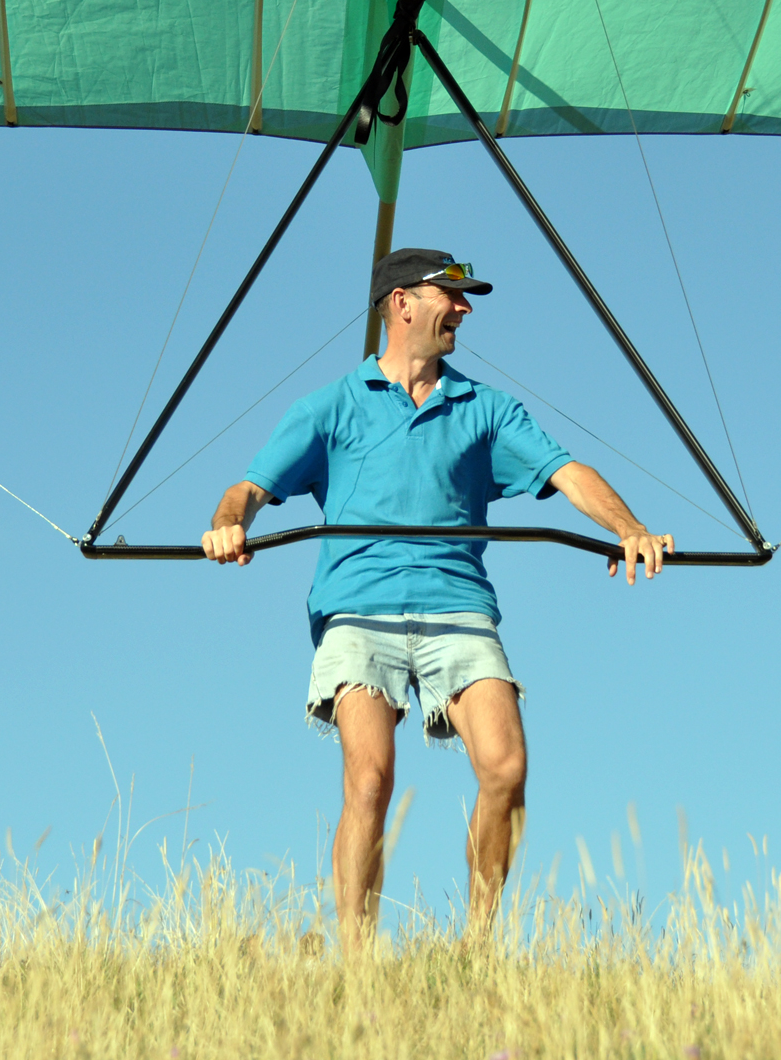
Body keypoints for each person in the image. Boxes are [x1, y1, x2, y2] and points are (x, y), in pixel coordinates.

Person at [201, 247, 672, 950]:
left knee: (507, 769)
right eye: (450, 294)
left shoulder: (483, 407)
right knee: (370, 780)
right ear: (402, 304)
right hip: (359, 610)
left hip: (458, 609)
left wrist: (629, 528)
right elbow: (250, 486)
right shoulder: (331, 406)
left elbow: (567, 472)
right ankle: (356, 966)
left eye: (465, 296)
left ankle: (475, 948)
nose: (464, 308)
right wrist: (227, 524)